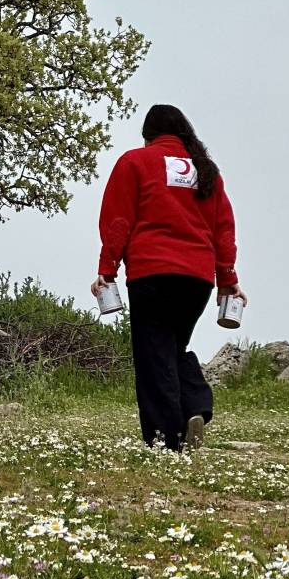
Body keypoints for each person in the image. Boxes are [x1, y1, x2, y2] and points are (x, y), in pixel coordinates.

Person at [92, 104, 246, 451]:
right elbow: (224, 229)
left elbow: (117, 221)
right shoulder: (206, 172)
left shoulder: (135, 162)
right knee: (173, 347)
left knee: (153, 354)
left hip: (152, 272)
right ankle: (195, 408)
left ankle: (166, 439)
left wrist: (106, 270)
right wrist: (228, 278)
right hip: (198, 278)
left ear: (149, 136)